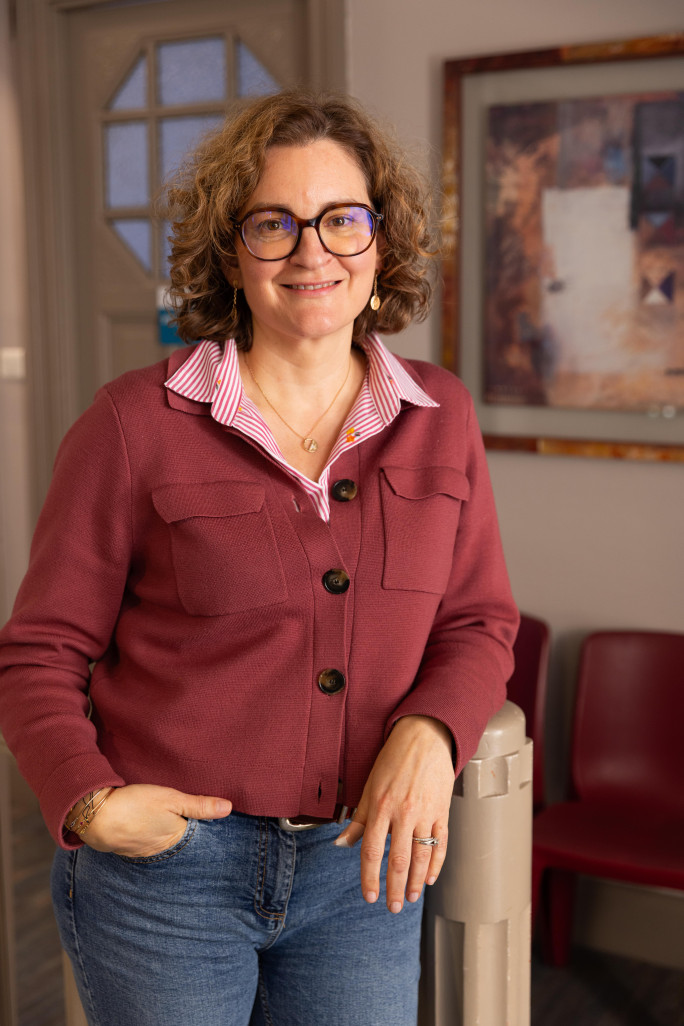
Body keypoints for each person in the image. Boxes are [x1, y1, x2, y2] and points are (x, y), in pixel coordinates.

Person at [0, 91, 519, 1025]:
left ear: (381, 246)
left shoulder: (443, 417)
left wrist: (432, 731)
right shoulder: (132, 424)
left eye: (342, 221)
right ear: (230, 254)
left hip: (364, 870)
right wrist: (85, 802)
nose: (312, 250)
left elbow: (479, 621)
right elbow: (38, 651)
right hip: (170, 882)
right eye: (273, 223)